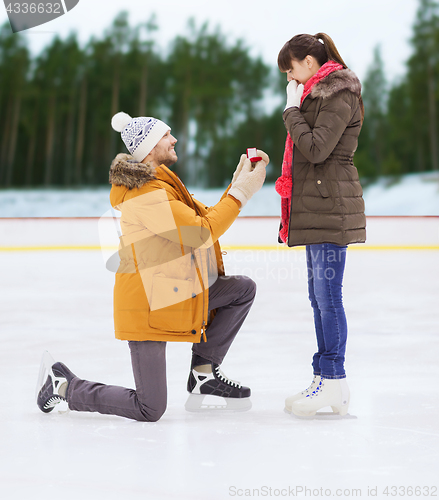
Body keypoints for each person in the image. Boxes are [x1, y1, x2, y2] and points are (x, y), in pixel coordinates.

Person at [36, 111, 269, 421]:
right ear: (148, 147)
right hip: (147, 302)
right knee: (150, 407)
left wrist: (238, 182)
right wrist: (242, 193)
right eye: (166, 135)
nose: (174, 139)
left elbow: (204, 217)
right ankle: (64, 385)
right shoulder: (143, 193)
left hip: (170, 289)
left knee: (240, 290)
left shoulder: (162, 182)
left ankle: (203, 374)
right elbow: (199, 232)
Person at [275, 33, 366, 417]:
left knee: (329, 298)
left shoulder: (339, 94)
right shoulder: (317, 96)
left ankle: (334, 380)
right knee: (318, 298)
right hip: (317, 206)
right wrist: (298, 108)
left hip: (331, 207)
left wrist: (291, 113)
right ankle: (325, 379)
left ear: (309, 62)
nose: (290, 80)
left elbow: (315, 149)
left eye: (291, 70)